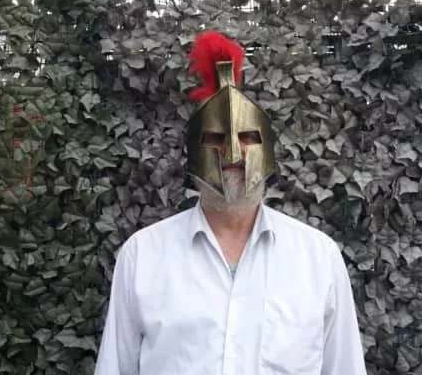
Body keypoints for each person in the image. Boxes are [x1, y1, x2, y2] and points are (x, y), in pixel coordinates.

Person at [94, 30, 367, 375]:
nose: (233, 154)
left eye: (248, 137)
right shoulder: (143, 255)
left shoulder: (318, 258)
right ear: (194, 151)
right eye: (215, 139)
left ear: (268, 149)